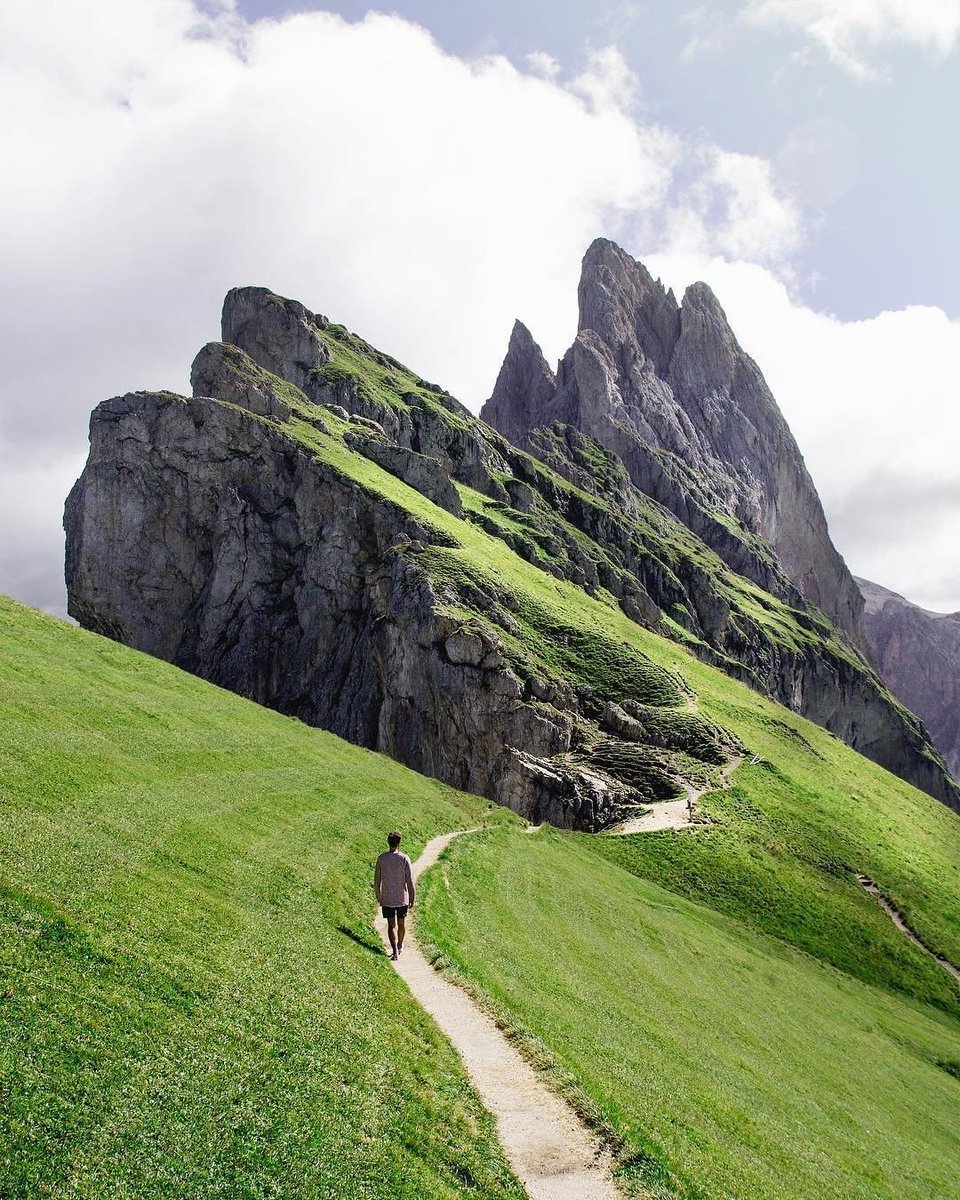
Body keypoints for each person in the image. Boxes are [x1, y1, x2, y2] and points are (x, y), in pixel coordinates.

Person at [374, 831, 415, 961]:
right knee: (401, 924)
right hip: (402, 898)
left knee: (391, 925)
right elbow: (410, 881)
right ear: (399, 843)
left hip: (387, 898)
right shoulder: (404, 859)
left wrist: (378, 896)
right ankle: (400, 944)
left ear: (388, 842)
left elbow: (377, 880)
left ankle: (394, 951)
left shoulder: (381, 859)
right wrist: (412, 897)